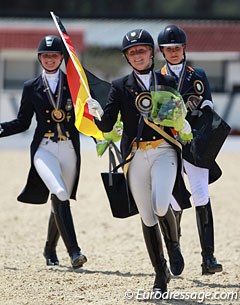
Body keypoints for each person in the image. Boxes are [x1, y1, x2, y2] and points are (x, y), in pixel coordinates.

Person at [87, 29, 192, 294]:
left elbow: (177, 113)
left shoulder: (166, 80)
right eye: (132, 52)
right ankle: (160, 274)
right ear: (127, 56)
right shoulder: (120, 86)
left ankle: (174, 244)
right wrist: (96, 113)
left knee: (160, 204)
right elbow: (109, 123)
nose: (137, 55)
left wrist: (182, 120)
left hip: (163, 151)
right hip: (135, 156)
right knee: (146, 216)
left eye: (141, 50)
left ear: (151, 53)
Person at [0, 35, 87, 269]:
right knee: (59, 192)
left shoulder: (74, 82)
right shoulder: (32, 87)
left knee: (61, 199)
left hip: (69, 148)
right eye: (45, 55)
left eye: (54, 55)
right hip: (44, 148)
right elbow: (22, 123)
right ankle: (75, 252)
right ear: (40, 58)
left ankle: (49, 249)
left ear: (61, 57)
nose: (50, 59)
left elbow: (85, 115)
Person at [157, 24, 223, 275]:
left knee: (201, 194)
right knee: (174, 200)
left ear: (184, 48)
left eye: (177, 48)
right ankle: (175, 248)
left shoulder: (198, 74)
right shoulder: (157, 76)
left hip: (193, 141)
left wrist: (198, 111)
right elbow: (157, 113)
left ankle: (208, 257)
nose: (174, 52)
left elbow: (207, 103)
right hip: (169, 143)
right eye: (169, 49)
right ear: (162, 51)